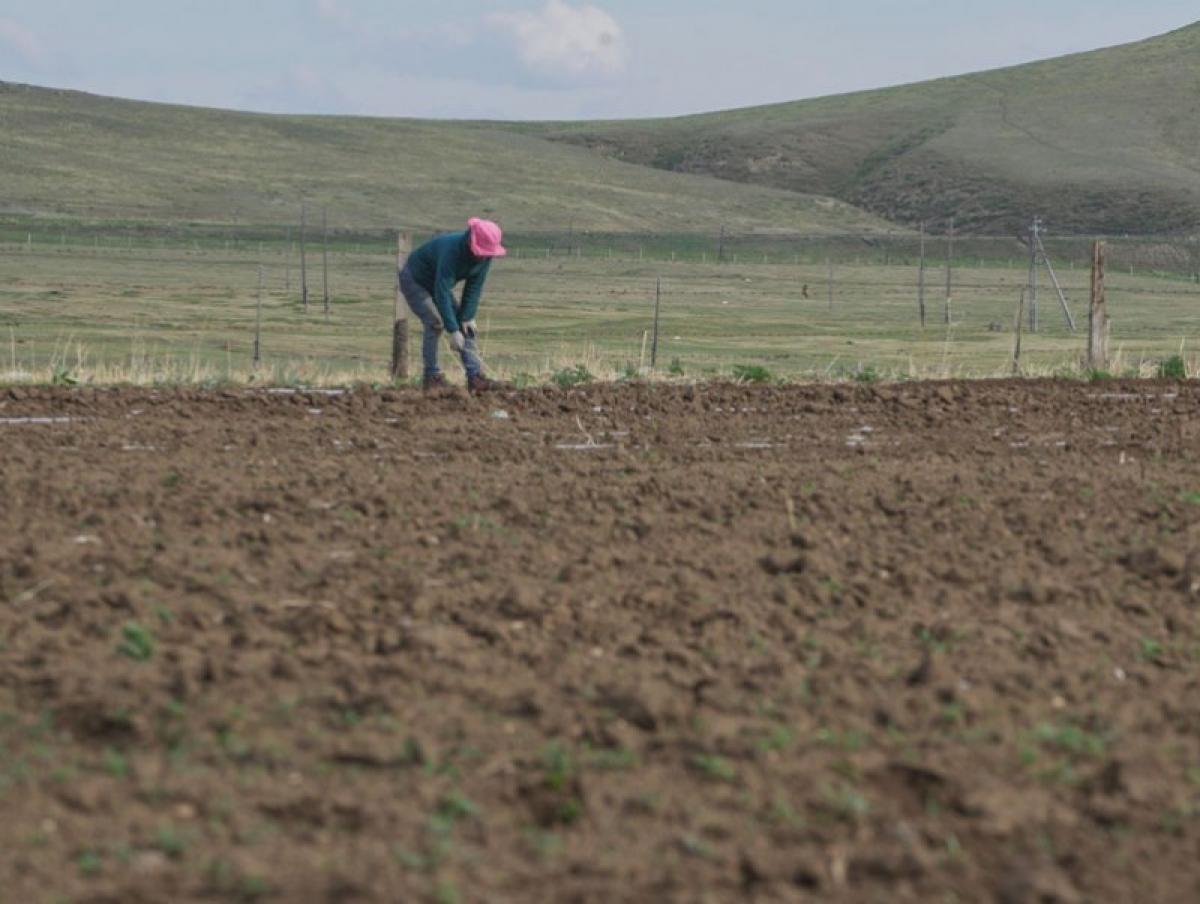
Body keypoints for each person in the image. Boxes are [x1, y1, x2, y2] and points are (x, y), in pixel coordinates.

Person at [399, 218, 507, 392]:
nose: (483, 257)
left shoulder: (485, 257)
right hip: (414, 278)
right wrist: (453, 330)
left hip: (436, 284)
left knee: (466, 327)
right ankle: (431, 377)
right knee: (435, 323)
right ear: (472, 241)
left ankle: (475, 377)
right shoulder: (452, 251)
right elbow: (441, 291)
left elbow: (474, 287)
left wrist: (467, 316)